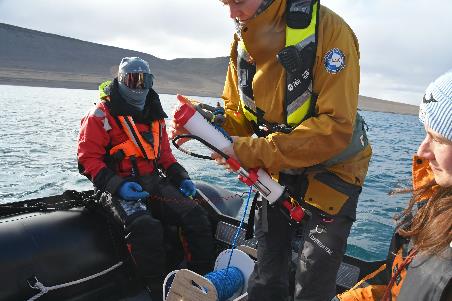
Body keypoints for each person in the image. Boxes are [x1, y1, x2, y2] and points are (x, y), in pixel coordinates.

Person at [171, 0, 372, 300]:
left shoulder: (332, 32)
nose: (231, 13)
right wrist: (206, 126)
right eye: (225, 3)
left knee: (313, 281)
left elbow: (335, 127)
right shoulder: (242, 39)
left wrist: (251, 152)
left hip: (335, 173)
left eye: (238, 1)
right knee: (265, 274)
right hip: (277, 169)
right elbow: (238, 115)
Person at [77, 57, 214, 300]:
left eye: (144, 81)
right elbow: (88, 160)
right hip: (115, 187)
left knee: (195, 215)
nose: (139, 87)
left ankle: (201, 280)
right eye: (132, 80)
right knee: (145, 227)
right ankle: (157, 290)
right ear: (120, 81)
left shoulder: (155, 116)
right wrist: (118, 186)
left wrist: (181, 177)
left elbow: (165, 157)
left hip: (152, 181)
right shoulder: (100, 116)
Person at [335, 71, 452, 301]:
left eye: (438, 140)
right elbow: (396, 278)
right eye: (425, 134)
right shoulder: (436, 203)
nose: (422, 152)